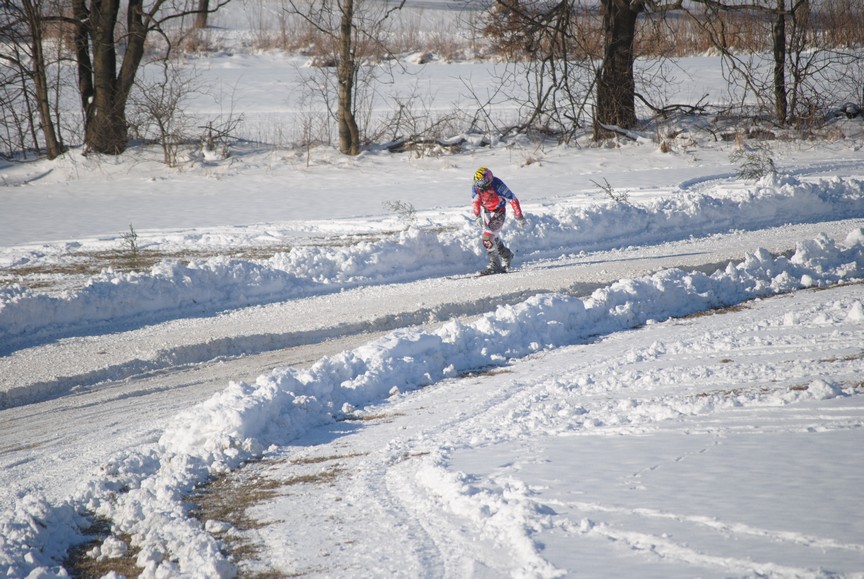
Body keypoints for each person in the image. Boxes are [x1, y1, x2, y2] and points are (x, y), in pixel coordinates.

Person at [471, 166, 526, 275]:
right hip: (487, 212)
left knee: (487, 238)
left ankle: (495, 264)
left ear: (488, 179)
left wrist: (519, 216)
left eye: (482, 182)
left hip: (498, 212)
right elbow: (475, 201)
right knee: (493, 238)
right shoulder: (476, 187)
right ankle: (506, 255)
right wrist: (477, 216)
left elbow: (513, 199)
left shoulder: (497, 184)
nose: (480, 185)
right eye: (478, 182)